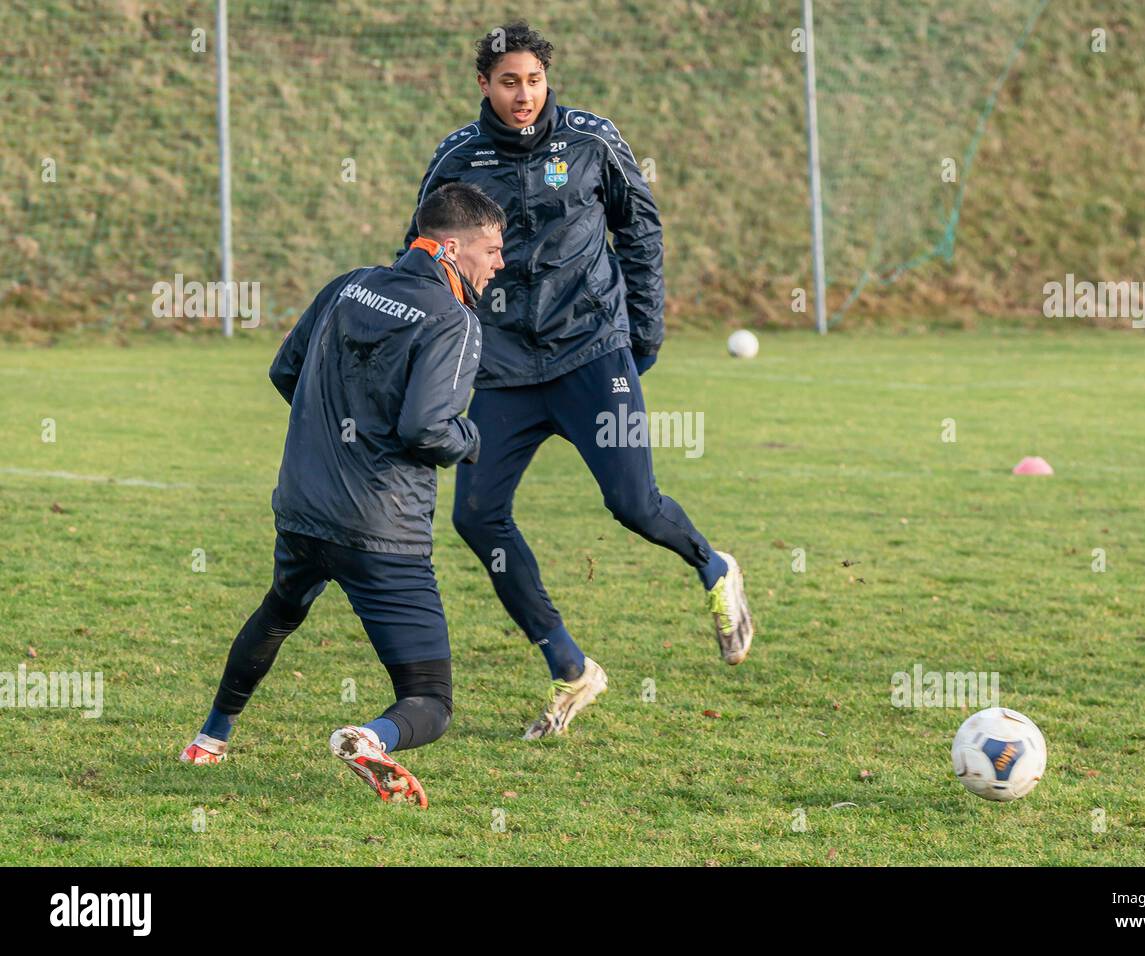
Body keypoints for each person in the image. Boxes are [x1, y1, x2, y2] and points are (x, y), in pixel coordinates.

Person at [401, 21, 754, 741]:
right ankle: (570, 667)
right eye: (507, 82)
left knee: (633, 504)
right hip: (502, 367)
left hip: (593, 352)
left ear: (546, 78)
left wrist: (642, 333)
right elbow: (423, 255)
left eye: (533, 80)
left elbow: (641, 231)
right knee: (476, 517)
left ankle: (714, 567)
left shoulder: (592, 140)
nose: (523, 94)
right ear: (483, 85)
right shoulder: (457, 158)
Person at [180, 183, 505, 807]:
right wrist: (469, 438)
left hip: (304, 509)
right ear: (450, 248)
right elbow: (425, 428)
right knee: (430, 700)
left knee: (280, 610)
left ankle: (210, 737)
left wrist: (331, 440)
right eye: (491, 250)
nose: (499, 264)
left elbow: (284, 372)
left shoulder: (346, 284)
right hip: (382, 530)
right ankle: (370, 736)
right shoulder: (455, 321)